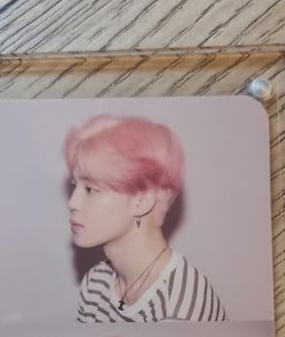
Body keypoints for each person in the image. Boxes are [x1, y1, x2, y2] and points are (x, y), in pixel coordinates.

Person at [65, 114, 227, 322]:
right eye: (74, 186)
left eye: (90, 189)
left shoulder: (179, 306)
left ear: (142, 201)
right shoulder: (96, 282)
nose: (72, 202)